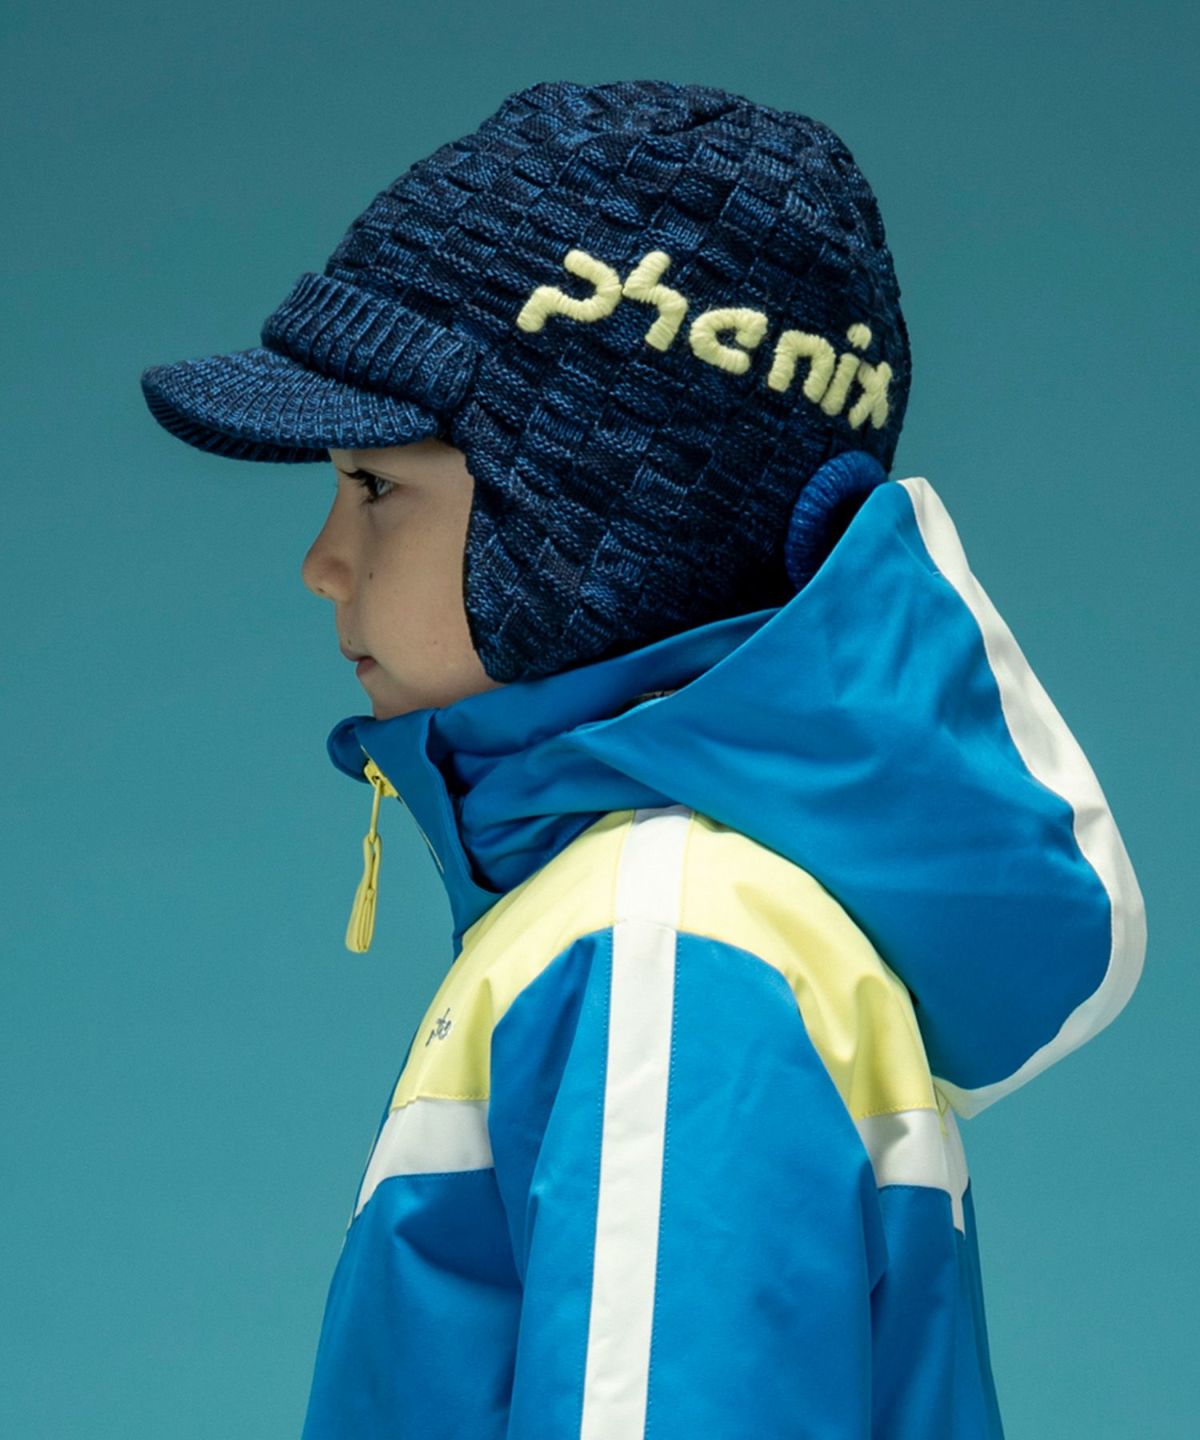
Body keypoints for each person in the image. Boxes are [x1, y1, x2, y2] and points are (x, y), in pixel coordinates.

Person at [138, 79, 1146, 1439]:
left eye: (377, 486)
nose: (323, 561)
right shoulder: (677, 924)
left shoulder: (664, 942)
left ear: (589, 530)